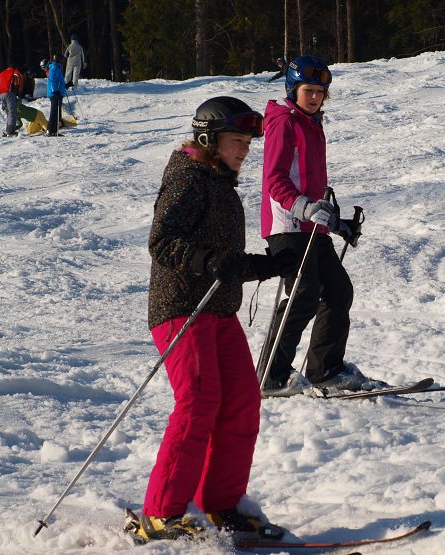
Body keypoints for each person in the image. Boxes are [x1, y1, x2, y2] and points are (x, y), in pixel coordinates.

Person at [126, 96, 294, 543]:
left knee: (242, 400)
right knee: (199, 401)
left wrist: (267, 265)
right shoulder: (186, 177)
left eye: (248, 143)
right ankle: (161, 514)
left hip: (217, 309)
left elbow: (225, 262)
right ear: (209, 139)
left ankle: (221, 504)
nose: (245, 150)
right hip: (181, 307)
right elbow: (162, 242)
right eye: (237, 141)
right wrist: (206, 260)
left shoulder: (220, 183)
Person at [260, 55, 368, 395]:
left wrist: (336, 223)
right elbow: (275, 180)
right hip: (287, 225)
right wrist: (303, 207)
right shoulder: (284, 122)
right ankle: (271, 376)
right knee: (303, 295)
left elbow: (310, 185)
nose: (315, 97)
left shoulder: (312, 124)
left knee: (338, 291)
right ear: (292, 89)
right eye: (308, 90)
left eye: (320, 92)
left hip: (311, 226)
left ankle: (325, 370)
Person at [0, 66, 22, 137]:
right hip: (9, 93)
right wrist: (17, 88)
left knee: (8, 113)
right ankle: (11, 131)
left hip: (2, 95)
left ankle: (8, 130)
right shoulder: (14, 71)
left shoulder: (2, 73)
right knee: (12, 112)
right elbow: (18, 77)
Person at [46, 54, 67, 136]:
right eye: (62, 60)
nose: (63, 61)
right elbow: (52, 80)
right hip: (55, 93)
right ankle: (51, 131)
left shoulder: (57, 67)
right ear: (59, 60)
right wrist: (55, 91)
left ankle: (51, 129)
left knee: (56, 111)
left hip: (57, 92)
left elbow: (59, 81)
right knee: (54, 112)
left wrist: (67, 85)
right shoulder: (55, 68)